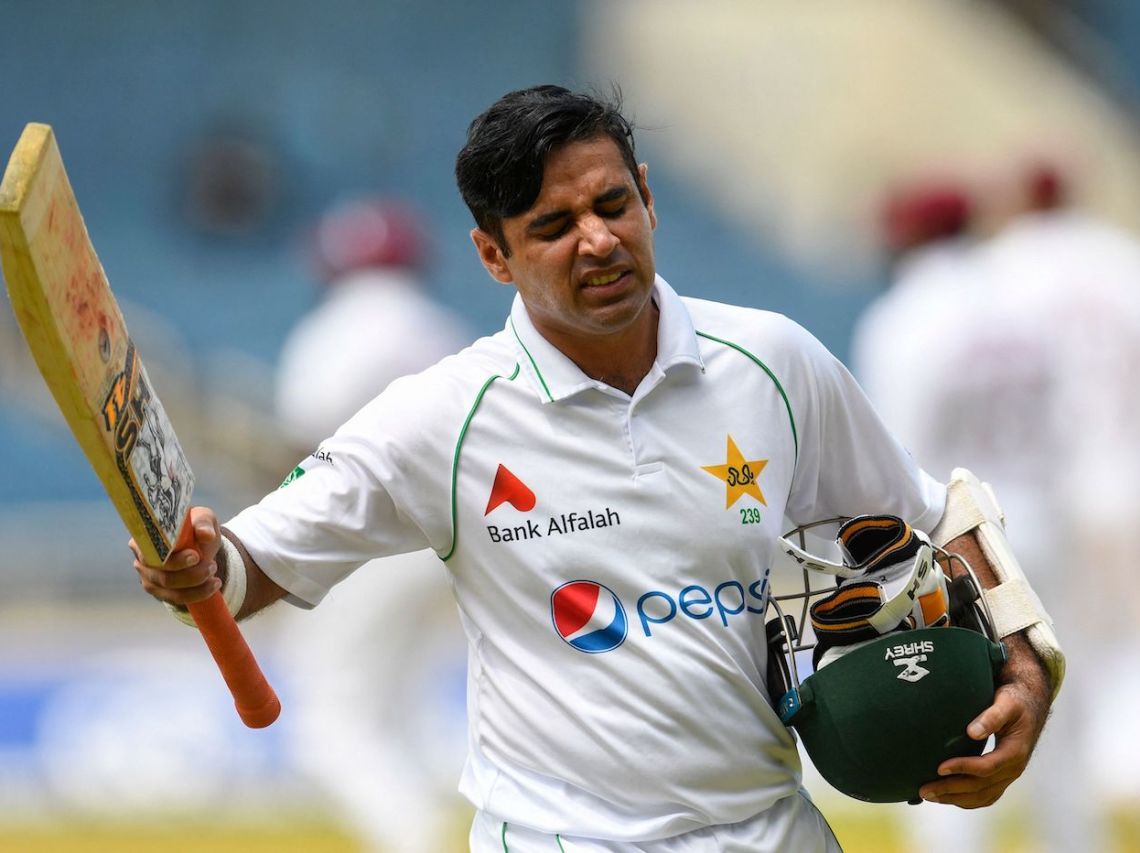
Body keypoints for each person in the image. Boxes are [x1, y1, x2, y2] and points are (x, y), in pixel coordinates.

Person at [131, 85, 1057, 852]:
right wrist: (196, 563)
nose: (600, 239)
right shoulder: (442, 415)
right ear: (493, 255)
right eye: (553, 225)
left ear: (647, 196)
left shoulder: (774, 360)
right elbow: (245, 568)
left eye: (613, 204)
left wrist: (1025, 669)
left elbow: (939, 517)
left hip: (773, 828)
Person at [853, 167, 1140, 853]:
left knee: (946, 705)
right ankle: (1075, 838)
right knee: (1054, 696)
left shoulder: (905, 318)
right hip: (1045, 519)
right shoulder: (1016, 306)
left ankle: (954, 845)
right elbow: (1068, 421)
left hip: (956, 534)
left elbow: (896, 452)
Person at [272, 196, 475, 852]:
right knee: (405, 713)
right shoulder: (442, 328)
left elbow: (302, 447)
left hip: (366, 543)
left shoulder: (332, 330)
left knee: (328, 727)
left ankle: (419, 842)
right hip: (451, 537)